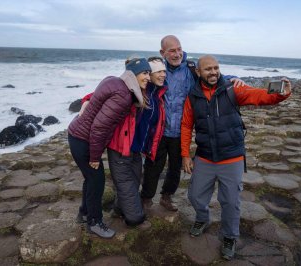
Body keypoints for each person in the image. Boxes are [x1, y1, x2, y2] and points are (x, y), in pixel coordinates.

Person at [181, 55, 292, 260]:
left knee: (230, 202)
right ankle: (202, 218)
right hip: (205, 156)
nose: (213, 72)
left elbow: (260, 96)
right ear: (198, 72)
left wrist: (281, 95)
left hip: (231, 157)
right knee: (195, 196)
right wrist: (185, 154)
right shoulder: (193, 95)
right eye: (208, 69)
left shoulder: (232, 88)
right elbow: (187, 125)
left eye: (216, 68)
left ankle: (230, 237)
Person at [140, 35, 244, 211]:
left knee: (175, 168)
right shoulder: (156, 69)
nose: (177, 53)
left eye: (179, 49)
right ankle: (146, 199)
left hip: (181, 130)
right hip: (157, 130)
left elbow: (214, 76)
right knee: (153, 166)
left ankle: (167, 197)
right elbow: (135, 80)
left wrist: (235, 78)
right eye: (172, 50)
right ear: (162, 52)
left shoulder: (190, 68)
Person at [78, 57, 168, 228]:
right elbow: (102, 94)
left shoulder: (159, 92)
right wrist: (86, 101)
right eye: (157, 71)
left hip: (137, 149)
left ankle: (118, 210)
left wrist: (235, 79)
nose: (163, 74)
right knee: (127, 186)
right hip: (121, 147)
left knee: (133, 183)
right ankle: (133, 217)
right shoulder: (136, 88)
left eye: (164, 71)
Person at [68, 58, 151, 238]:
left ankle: (83, 213)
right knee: (96, 181)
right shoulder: (124, 96)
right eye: (145, 73)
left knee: (90, 179)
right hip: (84, 140)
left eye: (149, 73)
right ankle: (94, 222)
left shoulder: (115, 81)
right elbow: (99, 127)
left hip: (77, 134)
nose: (148, 77)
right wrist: (95, 158)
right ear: (134, 74)